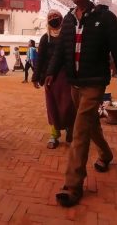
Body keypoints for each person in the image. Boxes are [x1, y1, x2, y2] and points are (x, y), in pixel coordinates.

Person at [44, 0, 117, 208]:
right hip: (75, 82)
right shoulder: (70, 20)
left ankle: (72, 186)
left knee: (80, 130)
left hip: (94, 82)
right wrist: (50, 72)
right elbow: (61, 49)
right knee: (91, 125)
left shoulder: (106, 18)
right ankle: (106, 155)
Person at [32, 9, 76, 149]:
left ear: (62, 18)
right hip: (50, 78)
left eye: (56, 16)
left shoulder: (69, 36)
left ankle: (70, 131)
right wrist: (36, 76)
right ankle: (54, 134)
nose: (53, 19)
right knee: (53, 106)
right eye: (50, 17)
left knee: (69, 105)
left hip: (67, 77)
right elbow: (40, 59)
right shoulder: (46, 38)